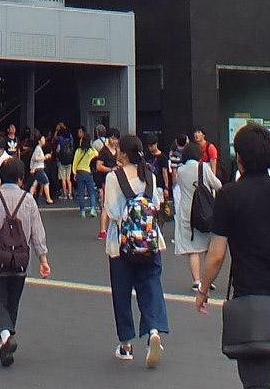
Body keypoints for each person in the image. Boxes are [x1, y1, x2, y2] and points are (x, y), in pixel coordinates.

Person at [196, 123, 270, 389]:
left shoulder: (228, 196)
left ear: (238, 157)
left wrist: (203, 289)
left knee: (255, 379)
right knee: (267, 372)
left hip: (248, 296)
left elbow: (216, 254)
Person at [0, 154, 53, 367]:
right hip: (21, 260)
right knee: (12, 302)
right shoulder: (29, 200)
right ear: (21, 178)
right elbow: (37, 232)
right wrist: (43, 258)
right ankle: (5, 342)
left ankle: (6, 336)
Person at [102, 133, 171, 365]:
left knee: (122, 293)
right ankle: (153, 331)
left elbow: (111, 210)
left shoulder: (114, 177)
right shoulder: (149, 175)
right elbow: (157, 205)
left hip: (121, 244)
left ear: (122, 153)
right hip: (151, 242)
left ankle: (126, 344)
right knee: (151, 285)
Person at [174, 134, 223, 293]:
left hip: (187, 211)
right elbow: (218, 185)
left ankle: (197, 281)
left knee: (192, 248)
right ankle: (208, 278)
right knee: (208, 246)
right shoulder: (203, 167)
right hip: (205, 210)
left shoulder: (180, 170)